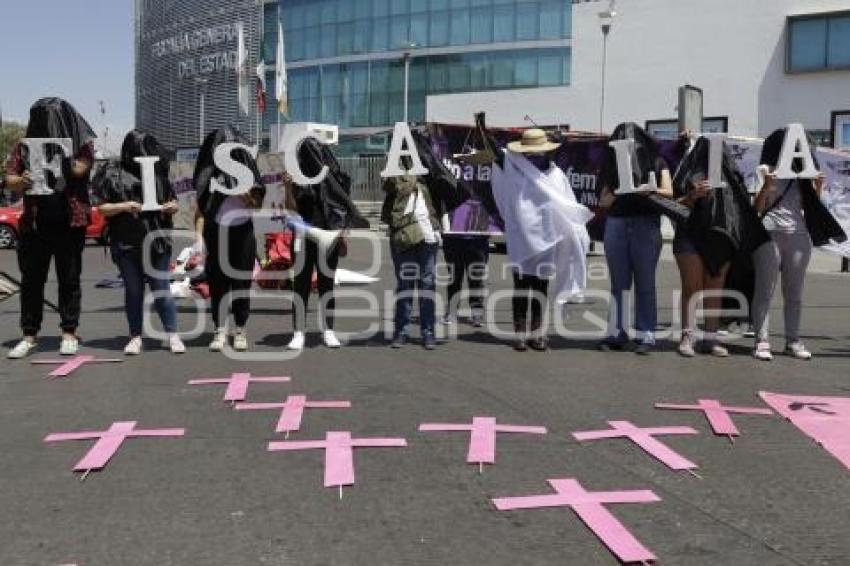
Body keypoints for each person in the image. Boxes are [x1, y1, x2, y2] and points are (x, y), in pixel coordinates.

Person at [5, 98, 96, 359]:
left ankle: (69, 332)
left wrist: (57, 155)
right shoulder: (23, 146)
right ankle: (29, 335)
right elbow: (10, 178)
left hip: (70, 223)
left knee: (69, 280)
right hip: (35, 224)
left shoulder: (82, 144)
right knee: (32, 282)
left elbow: (80, 169)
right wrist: (20, 180)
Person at [488, 125, 592, 352]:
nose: (535, 154)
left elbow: (567, 204)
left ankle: (536, 333)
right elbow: (494, 151)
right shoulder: (513, 166)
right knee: (521, 285)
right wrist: (480, 125)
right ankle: (519, 334)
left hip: (547, 237)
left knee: (540, 286)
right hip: (521, 236)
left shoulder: (556, 174)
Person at [751, 128, 846, 361]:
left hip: (799, 234)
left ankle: (792, 340)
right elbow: (756, 209)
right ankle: (761, 340)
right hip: (769, 232)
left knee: (794, 293)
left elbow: (811, 208)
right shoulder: (765, 170)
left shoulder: (804, 173)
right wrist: (766, 185)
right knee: (766, 288)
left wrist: (817, 188)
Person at [672, 135, 770, 357]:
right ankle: (688, 335)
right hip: (690, 236)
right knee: (692, 287)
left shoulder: (733, 176)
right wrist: (692, 195)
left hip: (722, 237)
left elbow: (743, 209)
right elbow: (672, 205)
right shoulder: (687, 174)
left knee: (714, 287)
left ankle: (711, 337)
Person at [94, 130, 184, 355]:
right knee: (133, 291)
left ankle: (173, 334)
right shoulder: (113, 172)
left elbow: (172, 200)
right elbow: (101, 207)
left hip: (157, 240)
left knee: (161, 288)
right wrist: (124, 206)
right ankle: (135, 336)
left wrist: (172, 206)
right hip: (126, 240)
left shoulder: (157, 172)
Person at [598, 123, 674, 355]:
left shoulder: (657, 161)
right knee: (619, 284)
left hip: (646, 223)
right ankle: (617, 333)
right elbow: (603, 201)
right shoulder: (611, 165)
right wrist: (618, 189)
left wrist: (648, 190)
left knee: (645, 282)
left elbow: (669, 192)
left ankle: (646, 334)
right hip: (617, 224)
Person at [283, 138, 362, 351]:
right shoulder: (297, 177)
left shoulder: (334, 178)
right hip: (303, 235)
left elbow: (342, 208)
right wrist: (288, 188)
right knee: (301, 285)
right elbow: (290, 209)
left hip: (329, 236)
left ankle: (328, 330)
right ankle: (298, 332)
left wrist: (344, 236)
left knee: (327, 285)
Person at [194, 127, 265, 352]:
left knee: (241, 283)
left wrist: (243, 193)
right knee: (218, 283)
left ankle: (240, 329)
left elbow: (257, 206)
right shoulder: (211, 177)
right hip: (217, 232)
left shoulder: (247, 175)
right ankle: (219, 329)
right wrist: (198, 238)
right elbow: (201, 209)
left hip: (242, 232)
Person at [382, 168, 444, 350]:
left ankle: (428, 332)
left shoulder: (429, 162)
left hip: (428, 233)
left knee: (427, 284)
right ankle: (401, 331)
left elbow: (444, 186)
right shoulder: (394, 162)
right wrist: (413, 177)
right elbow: (390, 186)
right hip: (403, 233)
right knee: (405, 284)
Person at [441, 230, 489, 328]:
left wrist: (493, 227)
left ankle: (477, 314)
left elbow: (494, 215)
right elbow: (438, 214)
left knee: (476, 279)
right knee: (454, 278)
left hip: (477, 239)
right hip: (453, 239)